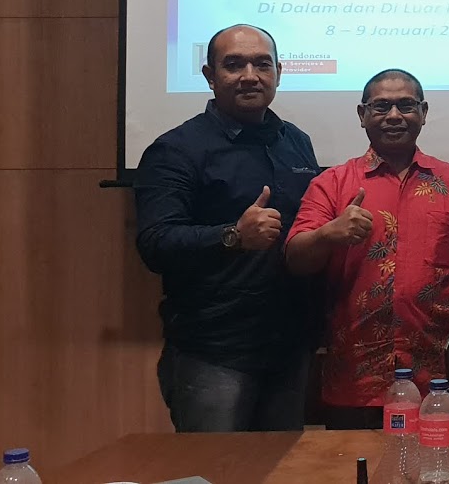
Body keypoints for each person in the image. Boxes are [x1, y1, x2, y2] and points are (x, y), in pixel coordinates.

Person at [286, 69, 449, 429]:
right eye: (381, 106)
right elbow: (295, 257)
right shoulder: (332, 184)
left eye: (406, 105)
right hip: (356, 378)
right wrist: (328, 234)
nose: (394, 116)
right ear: (362, 115)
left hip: (439, 376)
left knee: (442, 462)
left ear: (423, 112)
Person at [134, 24, 323, 432]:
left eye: (262, 64)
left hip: (289, 349)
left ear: (278, 73)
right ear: (210, 75)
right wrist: (233, 236)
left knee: (283, 466)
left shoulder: (297, 142)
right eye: (234, 65)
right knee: (215, 465)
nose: (250, 76)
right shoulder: (176, 149)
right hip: (214, 352)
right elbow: (155, 242)